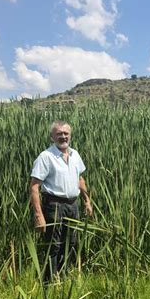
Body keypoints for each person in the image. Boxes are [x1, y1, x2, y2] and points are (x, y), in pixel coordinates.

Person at [29, 120, 93, 282]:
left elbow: (80, 179)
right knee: (54, 245)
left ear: (70, 135)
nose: (63, 137)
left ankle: (62, 277)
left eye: (66, 134)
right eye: (59, 134)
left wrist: (87, 201)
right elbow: (34, 187)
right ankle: (48, 282)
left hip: (73, 205)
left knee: (70, 243)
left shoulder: (75, 154)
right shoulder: (46, 157)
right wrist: (39, 215)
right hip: (54, 206)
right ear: (52, 137)